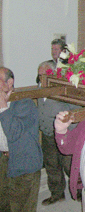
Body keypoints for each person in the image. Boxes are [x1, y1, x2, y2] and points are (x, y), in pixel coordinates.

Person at [37, 61, 81, 205]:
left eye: (44, 74)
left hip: (65, 134)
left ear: (53, 74)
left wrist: (71, 135)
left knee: (70, 166)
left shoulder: (63, 89)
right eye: (39, 74)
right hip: (48, 135)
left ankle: (81, 192)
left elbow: (76, 111)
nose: (41, 77)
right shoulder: (38, 88)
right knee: (51, 165)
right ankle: (57, 193)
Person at [0, 67, 43, 212]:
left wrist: (3, 108)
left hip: (25, 166)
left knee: (22, 207)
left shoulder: (25, 103)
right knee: (4, 204)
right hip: (5, 161)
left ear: (10, 82)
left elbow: (13, 133)